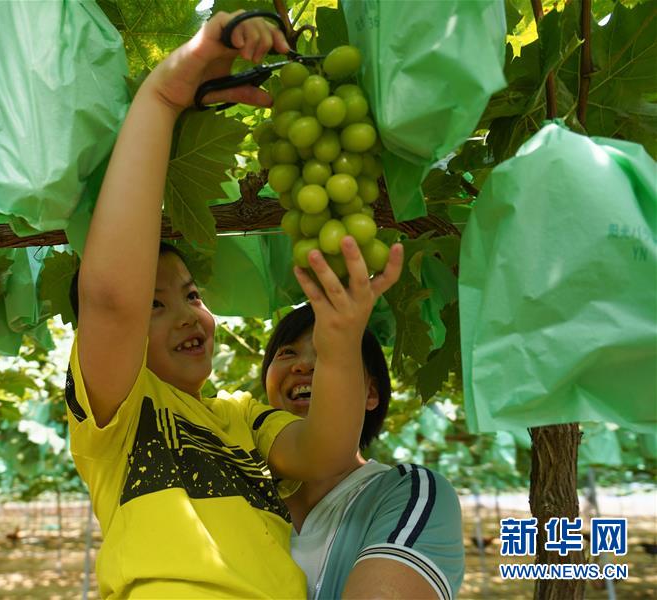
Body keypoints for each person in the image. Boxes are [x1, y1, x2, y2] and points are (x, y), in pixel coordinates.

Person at [65, 10, 404, 598]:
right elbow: (111, 299)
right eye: (156, 304)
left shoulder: (241, 419)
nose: (186, 313)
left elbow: (325, 451)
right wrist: (163, 100)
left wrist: (342, 340)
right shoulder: (118, 412)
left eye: (192, 295)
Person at [263, 303, 465, 600]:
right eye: (287, 353)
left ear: (371, 393)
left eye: (327, 353)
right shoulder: (234, 490)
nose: (303, 365)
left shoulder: (410, 493)